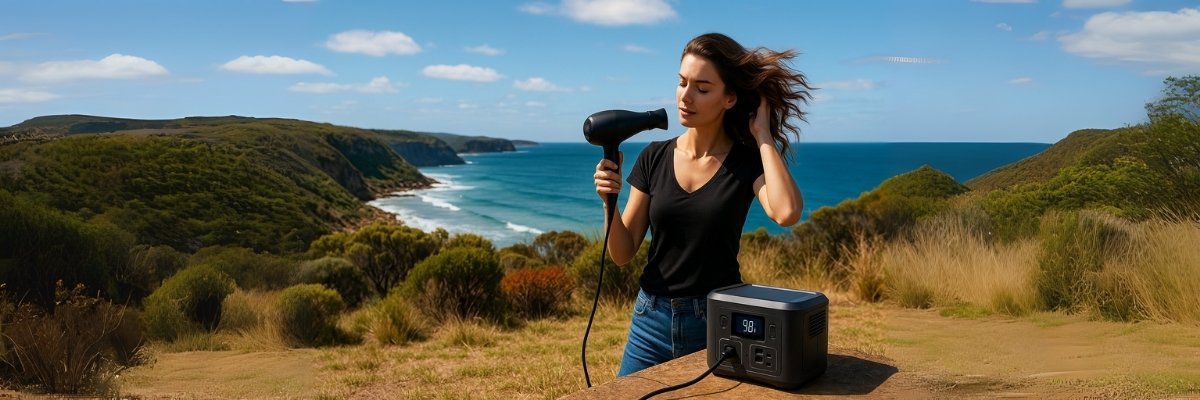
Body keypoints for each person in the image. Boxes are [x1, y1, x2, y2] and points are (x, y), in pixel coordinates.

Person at [592, 32, 812, 376]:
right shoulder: (654, 157)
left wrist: (763, 135)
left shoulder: (745, 162)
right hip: (649, 321)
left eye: (702, 88)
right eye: (682, 83)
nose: (685, 96)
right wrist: (609, 200)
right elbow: (622, 253)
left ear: (729, 99)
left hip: (715, 321)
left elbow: (786, 212)